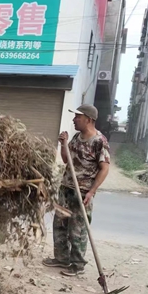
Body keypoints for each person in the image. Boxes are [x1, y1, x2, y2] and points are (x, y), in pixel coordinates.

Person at [43, 104, 110, 277]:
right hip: (66, 187)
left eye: (77, 117)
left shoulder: (99, 142)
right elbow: (67, 160)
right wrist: (63, 144)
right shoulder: (76, 137)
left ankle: (77, 264)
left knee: (78, 228)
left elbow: (104, 169)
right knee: (60, 224)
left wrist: (92, 191)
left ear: (88, 119)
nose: (74, 119)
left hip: (83, 191)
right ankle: (62, 258)